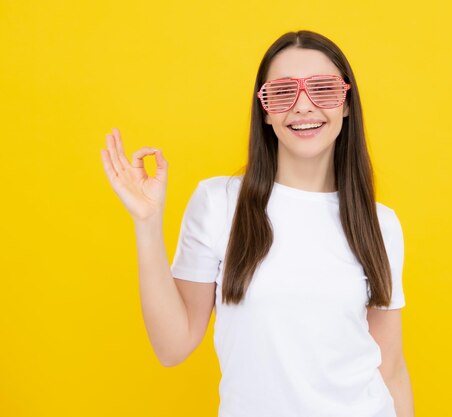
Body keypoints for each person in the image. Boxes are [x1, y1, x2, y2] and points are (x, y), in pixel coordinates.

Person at [100, 30, 414, 417]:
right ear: (264, 110)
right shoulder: (219, 203)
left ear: (346, 104)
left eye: (324, 89)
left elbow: (392, 367)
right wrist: (146, 224)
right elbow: (172, 346)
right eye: (283, 93)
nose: (303, 106)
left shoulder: (380, 224)